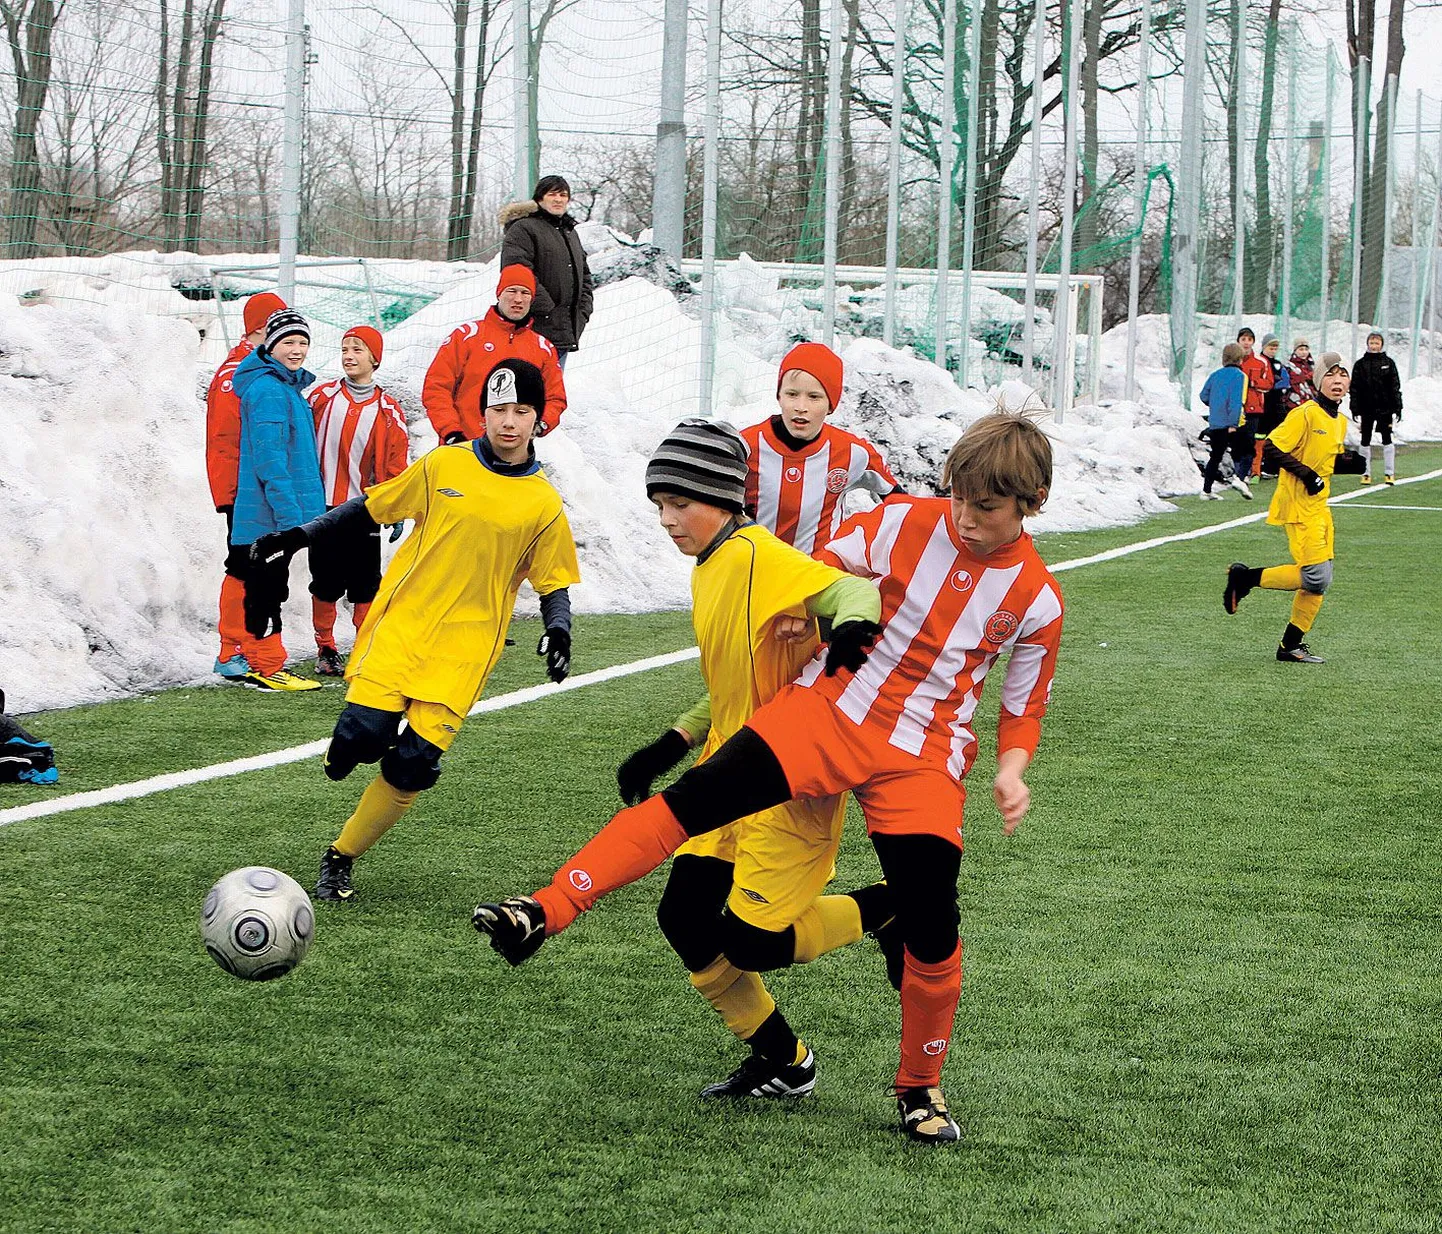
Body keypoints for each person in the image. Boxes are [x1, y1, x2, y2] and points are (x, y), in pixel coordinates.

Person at [475, 412, 1065, 1145]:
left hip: (923, 752)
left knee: (935, 931)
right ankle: (548, 908)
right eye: (960, 498)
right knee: (691, 804)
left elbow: (1023, 704)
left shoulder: (1039, 599)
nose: (967, 519)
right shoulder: (899, 521)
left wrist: (1013, 770)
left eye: (988, 508)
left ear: (1030, 501)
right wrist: (806, 619)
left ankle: (919, 1086)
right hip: (826, 709)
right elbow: (824, 578)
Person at [570, 418, 890, 1100]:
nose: (666, 519)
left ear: (720, 496)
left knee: (749, 944)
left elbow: (855, 593)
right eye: (658, 504)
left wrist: (854, 627)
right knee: (683, 918)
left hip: (783, 777)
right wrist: (674, 740)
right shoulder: (713, 566)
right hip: (726, 770)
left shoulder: (756, 556)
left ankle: (889, 909)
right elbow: (732, 682)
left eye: (679, 502)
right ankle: (785, 1059)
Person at [252, 359, 580, 901]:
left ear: (537, 419)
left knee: (412, 766)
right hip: (405, 628)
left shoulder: (542, 502)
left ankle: (340, 856)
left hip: (466, 653)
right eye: (499, 410)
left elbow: (554, 582)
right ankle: (349, 745)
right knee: (363, 739)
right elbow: (370, 508)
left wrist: (559, 631)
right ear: (482, 413)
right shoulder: (443, 466)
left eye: (521, 411)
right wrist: (301, 535)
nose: (508, 423)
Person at [1223, 353, 1366, 664]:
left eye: (1342, 375)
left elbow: (1322, 459)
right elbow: (1273, 448)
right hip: (1298, 506)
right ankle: (1244, 578)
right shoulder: (1305, 414)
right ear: (1319, 381)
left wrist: (1348, 464)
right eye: (1330, 375)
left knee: (1320, 580)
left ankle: (1290, 646)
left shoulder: (1338, 421)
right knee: (1316, 577)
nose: (1337, 381)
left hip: (1320, 506)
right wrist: (1307, 474)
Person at [231, 308, 326, 692]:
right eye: (288, 341)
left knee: (270, 586)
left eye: (303, 342)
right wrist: (289, 515)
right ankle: (267, 666)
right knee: (267, 590)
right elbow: (271, 460)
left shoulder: (286, 388)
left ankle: (262, 661)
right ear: (270, 345)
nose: (297, 349)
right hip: (269, 516)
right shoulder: (269, 390)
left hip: (277, 513)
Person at [307, 325, 411, 676]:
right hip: (322, 510)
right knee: (325, 582)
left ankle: (364, 650)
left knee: (366, 585)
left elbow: (396, 463)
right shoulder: (320, 397)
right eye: (345, 349)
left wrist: (395, 507)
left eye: (357, 350)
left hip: (364, 512)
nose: (349, 356)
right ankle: (326, 647)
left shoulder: (387, 410)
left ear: (374, 359)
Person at [740, 342, 903, 551]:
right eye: (792, 394)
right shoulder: (745, 445)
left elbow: (899, 502)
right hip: (755, 568)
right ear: (779, 396)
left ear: (830, 404)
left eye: (814, 397)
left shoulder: (852, 452)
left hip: (820, 573)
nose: (801, 407)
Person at [206, 290, 286, 680]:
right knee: (243, 565)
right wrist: (236, 493)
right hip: (244, 491)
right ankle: (231, 650)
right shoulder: (235, 375)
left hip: (258, 490)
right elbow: (227, 441)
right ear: (260, 329)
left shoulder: (261, 371)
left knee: (257, 566)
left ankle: (245, 648)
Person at [422, 265, 567, 444]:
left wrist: (540, 425)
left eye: (525, 293)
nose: (518, 299)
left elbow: (556, 397)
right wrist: (451, 431)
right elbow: (436, 387)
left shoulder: (543, 348)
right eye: (512, 291)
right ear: (499, 294)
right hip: (462, 444)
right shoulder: (467, 336)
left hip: (513, 452)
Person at [499, 175, 593, 366]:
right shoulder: (524, 229)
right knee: (529, 390)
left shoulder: (569, 232)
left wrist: (583, 310)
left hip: (565, 330)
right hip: (534, 328)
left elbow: (585, 276)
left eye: (563, 195)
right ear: (540, 198)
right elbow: (517, 272)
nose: (558, 199)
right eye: (552, 194)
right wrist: (547, 309)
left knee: (553, 391)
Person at [1197, 343, 1253, 501]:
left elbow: (1203, 396)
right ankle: (1238, 479)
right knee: (1244, 450)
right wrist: (1234, 423)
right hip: (1231, 422)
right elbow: (1236, 402)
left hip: (1215, 422)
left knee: (1216, 456)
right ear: (1240, 359)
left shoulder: (1215, 375)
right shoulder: (1239, 376)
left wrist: (1215, 406)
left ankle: (1206, 491)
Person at [1350, 331, 1403, 485]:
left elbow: (1395, 386)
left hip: (1385, 408)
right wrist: (1355, 407)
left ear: (1381, 345)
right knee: (1365, 439)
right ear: (1367, 344)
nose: (1374, 346)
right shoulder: (1360, 364)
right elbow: (1355, 388)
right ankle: (1365, 473)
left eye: (1377, 343)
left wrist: (1397, 406)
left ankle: (1389, 473)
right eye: (1371, 343)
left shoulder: (1388, 362)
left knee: (1387, 438)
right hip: (1367, 409)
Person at [1235, 327, 1268, 491]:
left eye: (1249, 339)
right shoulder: (1233, 360)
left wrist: (1254, 383)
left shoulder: (1261, 362)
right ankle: (1237, 472)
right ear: (1238, 341)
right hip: (1235, 407)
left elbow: (1268, 383)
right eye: (1243, 339)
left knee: (1249, 440)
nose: (1246, 342)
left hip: (1253, 408)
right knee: (1236, 440)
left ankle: (1244, 474)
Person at [1253, 333, 1291, 477]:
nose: (1273, 349)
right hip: (1261, 404)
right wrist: (1270, 384)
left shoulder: (1277, 364)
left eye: (1276, 347)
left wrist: (1273, 384)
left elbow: (1285, 381)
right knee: (1260, 435)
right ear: (1264, 347)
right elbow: (1259, 383)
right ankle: (1257, 467)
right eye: (1271, 346)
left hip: (1276, 404)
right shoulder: (1259, 362)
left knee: (1275, 435)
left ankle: (1272, 466)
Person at [1282, 339, 1317, 414]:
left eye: (1306, 349)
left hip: (1311, 404)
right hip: (1294, 404)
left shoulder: (1312, 366)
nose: (1304, 352)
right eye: (1301, 349)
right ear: (1295, 350)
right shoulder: (1289, 366)